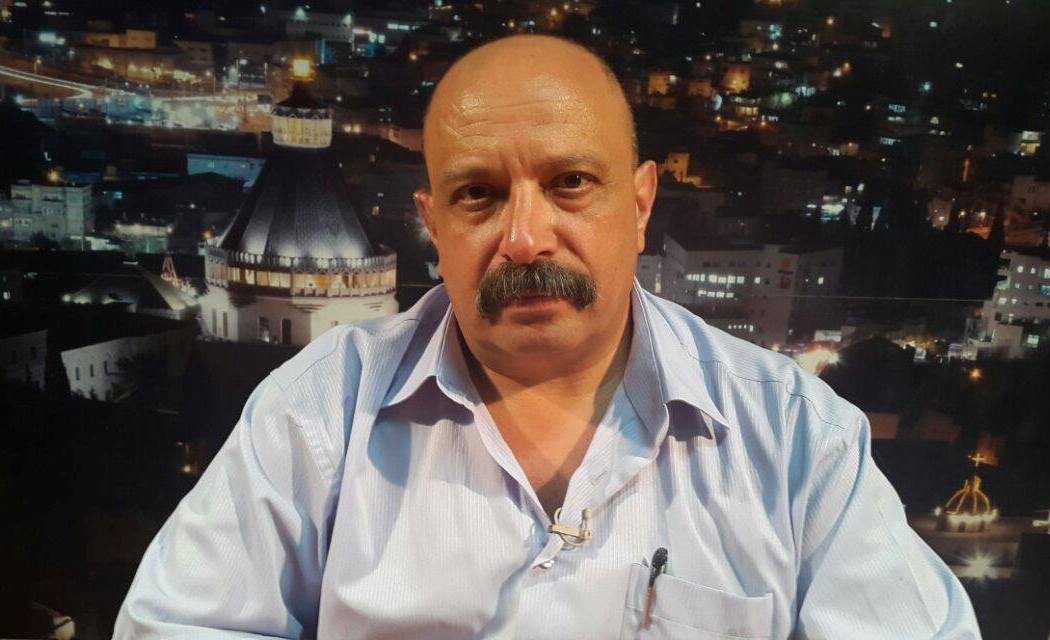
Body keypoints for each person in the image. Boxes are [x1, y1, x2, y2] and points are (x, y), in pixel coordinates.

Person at [114, 34, 980, 639]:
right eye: (479, 194)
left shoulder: (793, 436)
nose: (525, 238)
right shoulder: (316, 416)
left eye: (569, 183)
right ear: (433, 226)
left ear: (639, 204)